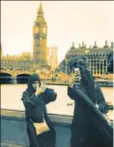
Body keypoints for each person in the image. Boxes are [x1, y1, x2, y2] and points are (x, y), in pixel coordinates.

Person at [67, 57, 112, 147]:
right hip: (80, 130)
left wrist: (97, 107)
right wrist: (70, 84)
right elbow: (71, 94)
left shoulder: (95, 87)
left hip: (94, 130)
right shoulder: (77, 88)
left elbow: (104, 106)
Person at [21, 74, 57, 147]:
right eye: (34, 83)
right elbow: (28, 105)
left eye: (37, 82)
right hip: (32, 124)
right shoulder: (26, 94)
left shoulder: (42, 93)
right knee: (35, 144)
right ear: (30, 84)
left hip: (44, 123)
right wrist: (37, 93)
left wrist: (46, 89)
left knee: (48, 141)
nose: (36, 85)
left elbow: (53, 97)